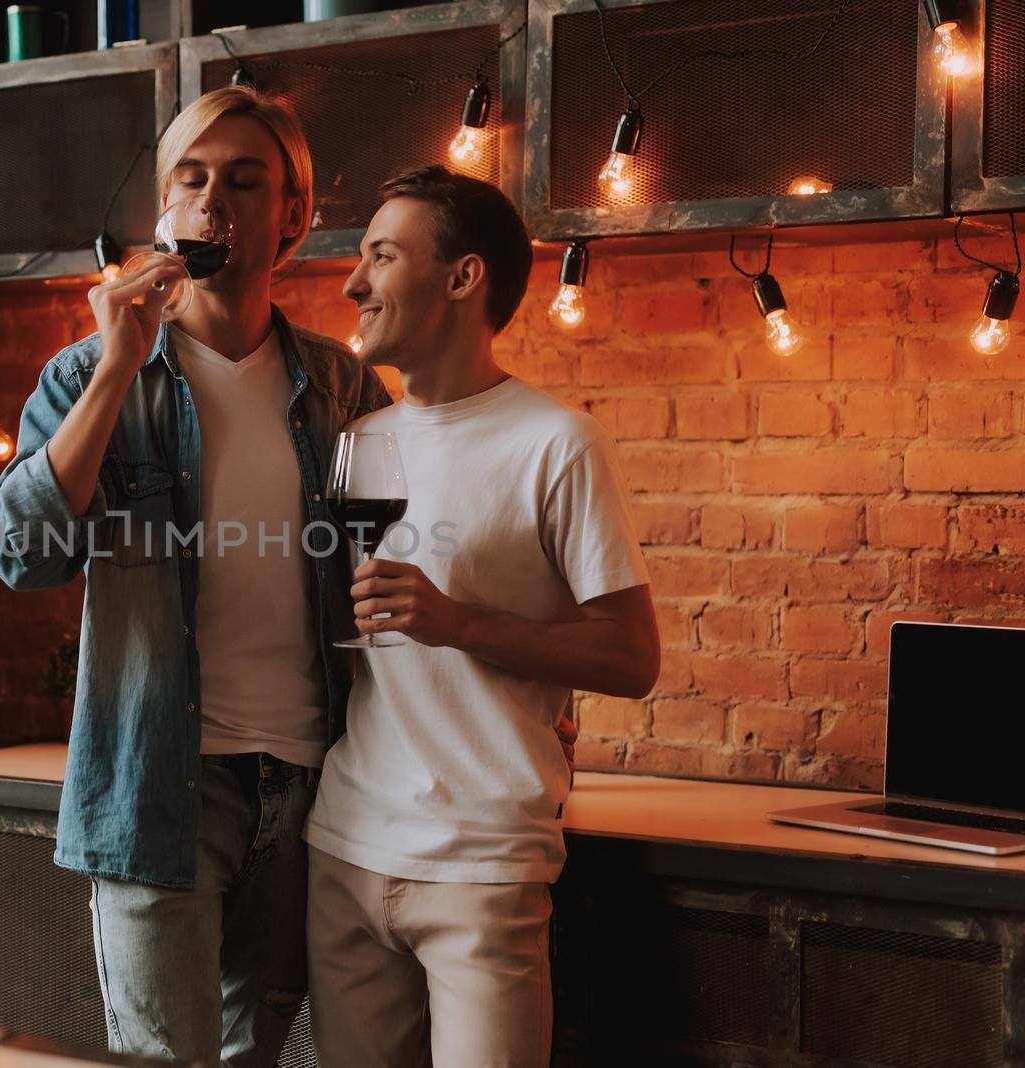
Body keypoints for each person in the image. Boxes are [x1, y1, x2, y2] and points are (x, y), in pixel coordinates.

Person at [0, 86, 389, 1065]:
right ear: (164, 210)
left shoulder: (344, 388)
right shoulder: (86, 379)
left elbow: (392, 581)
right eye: (192, 178)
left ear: (291, 218)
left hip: (313, 792)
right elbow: (22, 555)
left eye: (247, 181)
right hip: (157, 793)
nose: (215, 202)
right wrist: (122, 363)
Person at [302, 166, 661, 1067]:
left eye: (381, 256)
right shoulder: (359, 441)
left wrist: (461, 623)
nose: (353, 283)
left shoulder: (556, 443)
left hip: (484, 865)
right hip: (344, 848)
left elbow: (632, 657)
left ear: (463, 278)